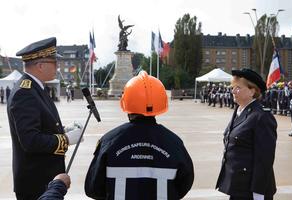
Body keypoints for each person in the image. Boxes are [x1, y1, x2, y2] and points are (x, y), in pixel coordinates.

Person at [85, 71, 194, 200]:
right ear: (160, 103)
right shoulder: (174, 143)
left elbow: (93, 188)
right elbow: (185, 183)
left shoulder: (109, 141)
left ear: (126, 102)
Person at [7, 37, 83, 200]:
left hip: (44, 179)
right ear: (40, 66)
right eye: (54, 62)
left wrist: (63, 130)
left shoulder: (36, 88)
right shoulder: (25, 93)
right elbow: (30, 140)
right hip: (36, 182)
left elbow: (41, 126)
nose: (57, 66)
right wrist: (65, 139)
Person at [216, 68, 277, 200]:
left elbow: (264, 159)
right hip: (237, 185)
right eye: (233, 87)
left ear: (252, 91)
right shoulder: (239, 111)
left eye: (238, 87)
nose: (233, 91)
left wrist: (258, 193)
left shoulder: (261, 116)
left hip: (251, 190)